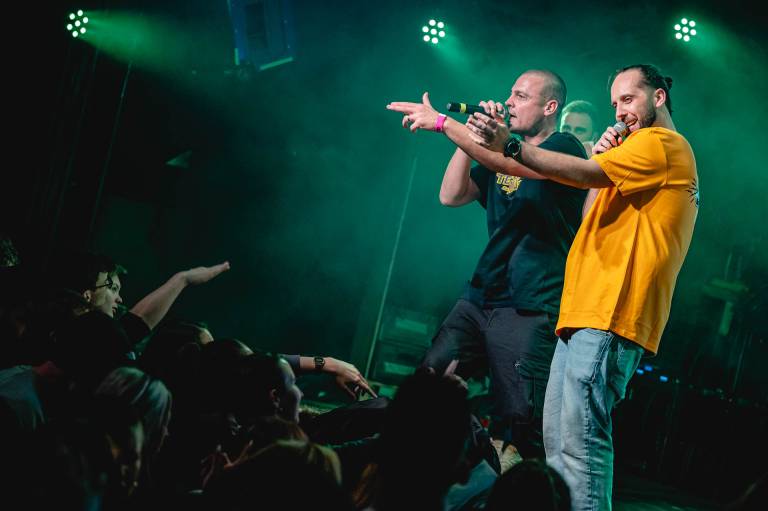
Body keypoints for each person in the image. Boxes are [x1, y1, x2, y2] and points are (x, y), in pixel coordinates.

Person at [466, 63, 698, 510]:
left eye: (628, 99)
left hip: (611, 312)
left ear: (658, 97)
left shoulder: (661, 143)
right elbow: (586, 209)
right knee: (559, 444)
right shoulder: (634, 154)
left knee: (581, 441)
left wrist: (512, 145)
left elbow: (577, 173)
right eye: (615, 103)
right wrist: (600, 159)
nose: (620, 112)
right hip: (583, 311)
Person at [386, 70, 587, 461]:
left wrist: (446, 125)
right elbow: (451, 195)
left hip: (529, 302)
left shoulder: (565, 147)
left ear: (550, 107)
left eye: (521, 96)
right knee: (428, 382)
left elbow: (518, 164)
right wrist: (473, 138)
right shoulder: (500, 151)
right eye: (510, 93)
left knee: (518, 418)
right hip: (481, 294)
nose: (509, 101)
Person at [560, 100, 602, 218]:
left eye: (579, 130)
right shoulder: (544, 160)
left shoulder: (600, 174)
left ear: (594, 138)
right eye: (566, 129)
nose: (570, 135)